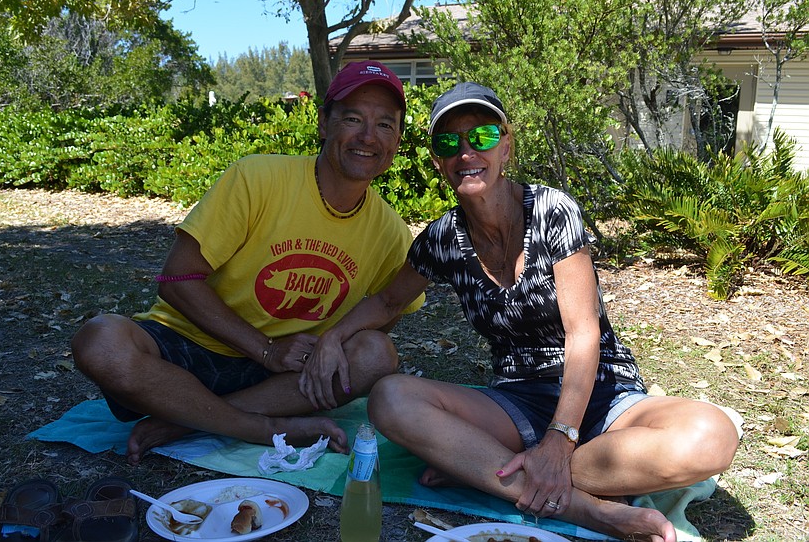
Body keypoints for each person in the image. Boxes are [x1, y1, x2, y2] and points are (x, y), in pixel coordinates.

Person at [302, 82, 740, 541]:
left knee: (712, 437)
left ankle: (486, 469)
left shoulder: (552, 210)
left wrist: (560, 439)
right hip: (517, 402)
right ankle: (582, 506)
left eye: (483, 137)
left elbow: (583, 332)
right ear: (437, 161)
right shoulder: (443, 239)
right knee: (389, 399)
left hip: (603, 394)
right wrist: (332, 337)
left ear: (506, 145)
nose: (467, 152)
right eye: (450, 142)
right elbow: (387, 301)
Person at [70, 60, 424, 465]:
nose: (367, 136)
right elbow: (177, 278)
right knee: (100, 341)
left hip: (283, 378)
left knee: (377, 354)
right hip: (191, 350)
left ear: (397, 140)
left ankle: (187, 420)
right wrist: (267, 349)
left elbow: (381, 318)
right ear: (324, 123)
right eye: (353, 118)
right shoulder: (258, 178)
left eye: (385, 124)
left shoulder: (392, 233)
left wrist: (319, 347)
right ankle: (257, 427)